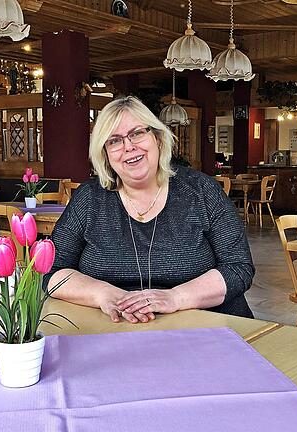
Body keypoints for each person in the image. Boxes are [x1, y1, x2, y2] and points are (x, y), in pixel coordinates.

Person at [44, 96, 255, 323]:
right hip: (115, 331)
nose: (128, 146)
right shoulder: (89, 198)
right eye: (114, 140)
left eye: (137, 133)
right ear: (105, 155)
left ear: (158, 138)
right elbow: (50, 271)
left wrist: (175, 298)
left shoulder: (202, 190)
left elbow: (238, 267)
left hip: (207, 329)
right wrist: (103, 294)